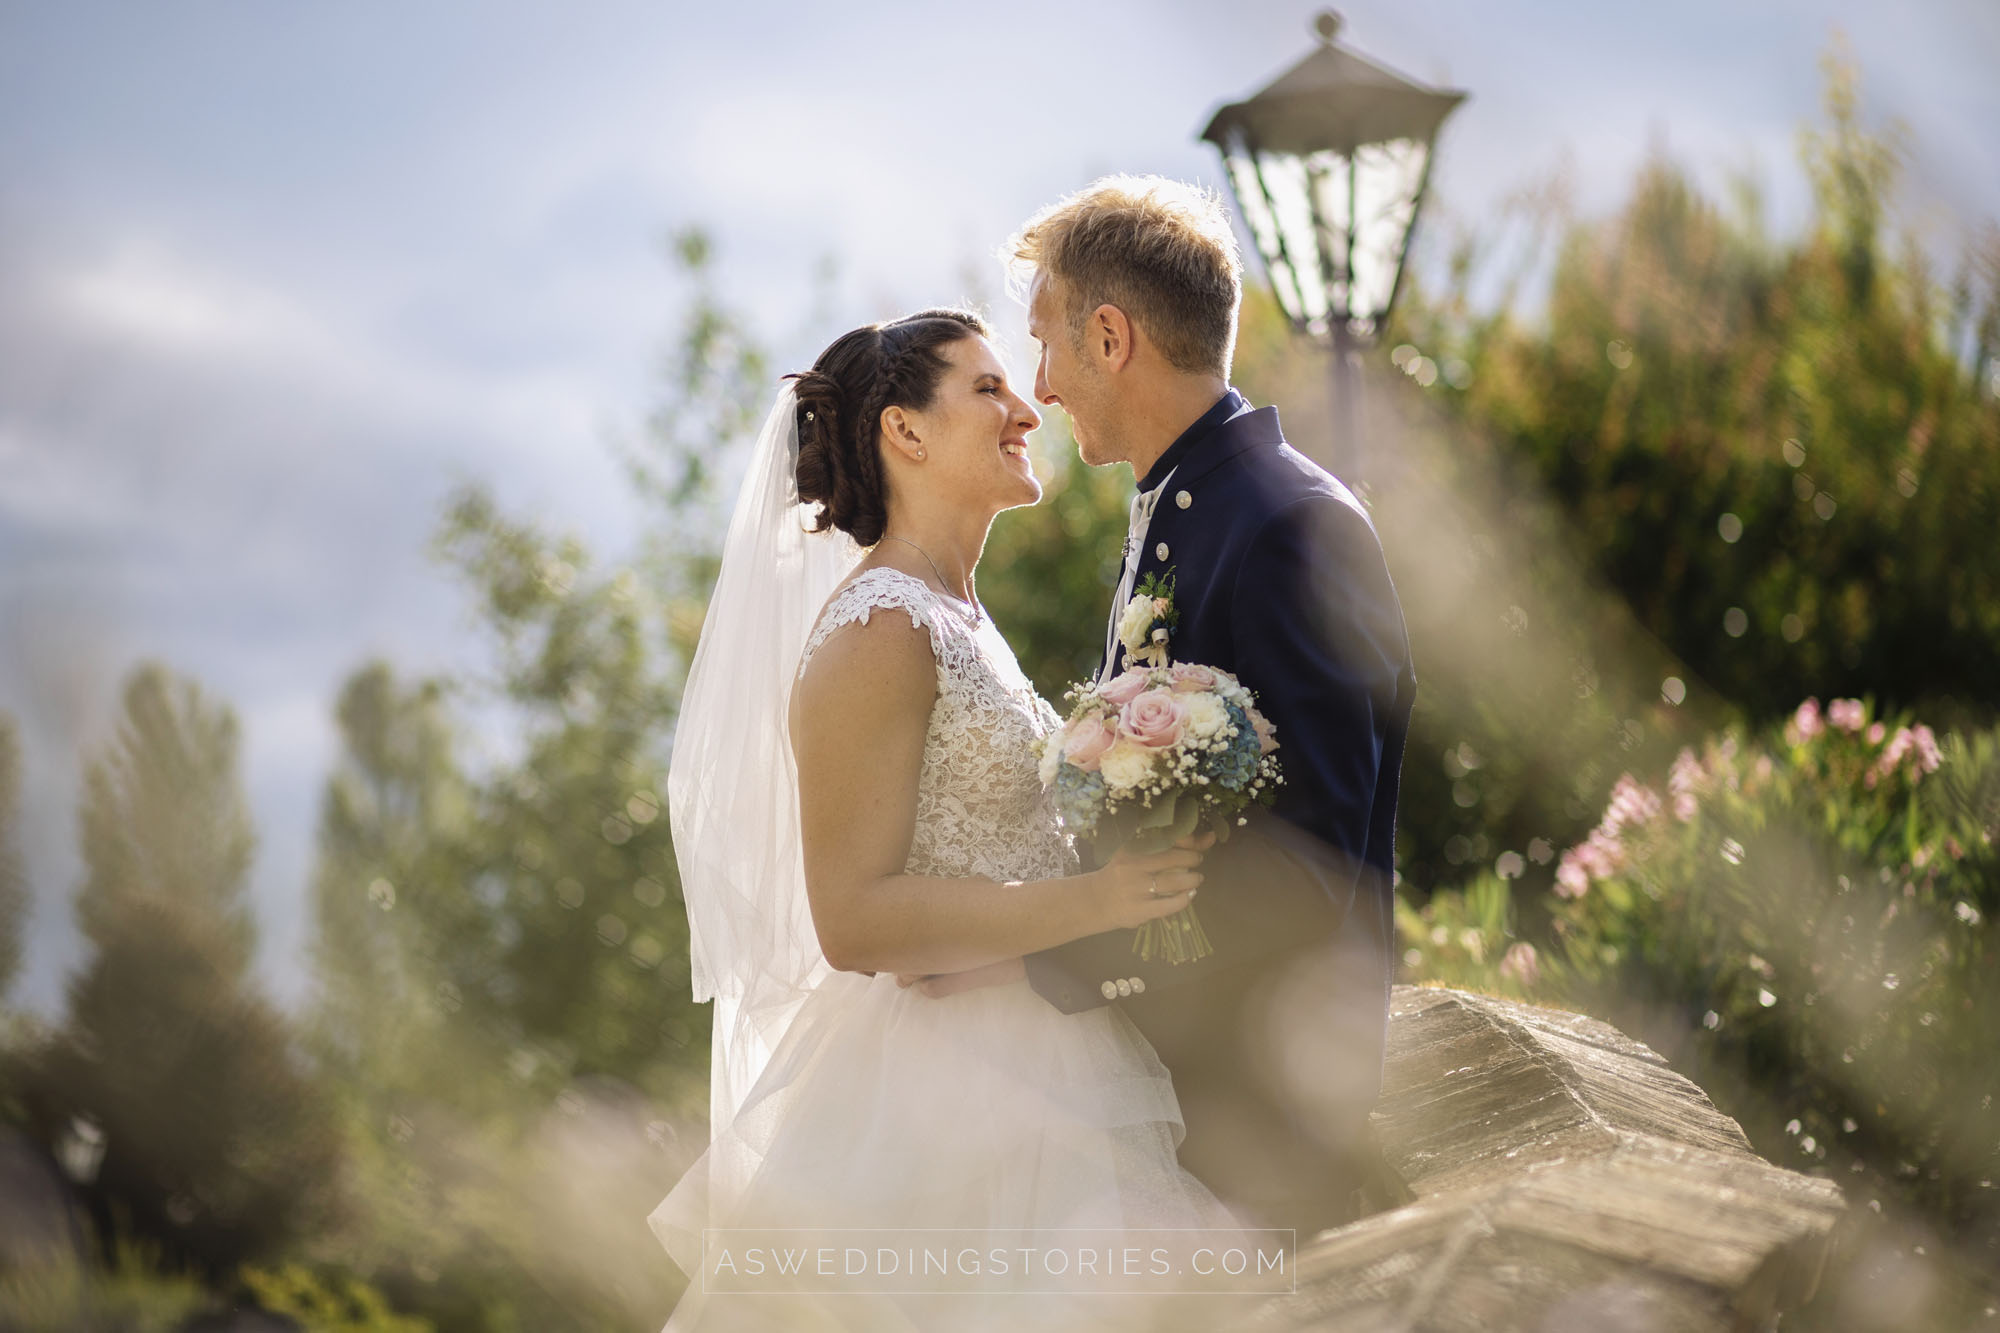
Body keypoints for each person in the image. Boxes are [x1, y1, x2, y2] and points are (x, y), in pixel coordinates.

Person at [647, 308, 1249, 1332]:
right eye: (987, 388)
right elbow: (853, 920)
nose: (1028, 409)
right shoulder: (879, 627)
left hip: (1042, 1046)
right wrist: (1099, 900)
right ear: (904, 431)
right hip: (947, 1094)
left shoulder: (956, 612)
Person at [903, 176, 1418, 1240]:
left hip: (1259, 1122)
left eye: (1044, 345)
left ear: (1110, 336)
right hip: (1181, 1106)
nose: (1041, 388)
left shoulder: (1288, 524)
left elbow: (1307, 873)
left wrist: (1043, 959)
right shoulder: (1193, 505)